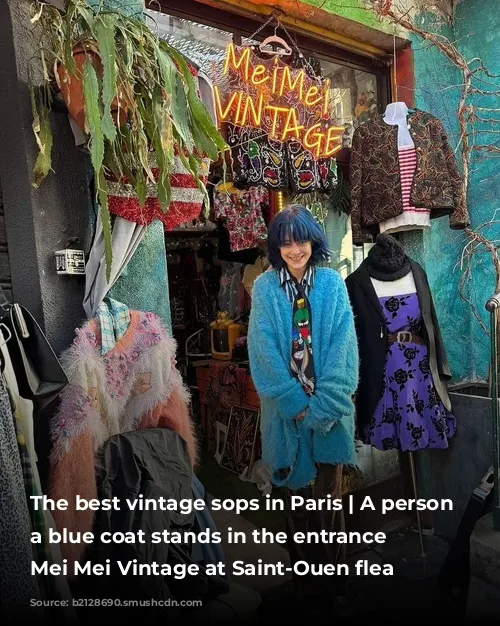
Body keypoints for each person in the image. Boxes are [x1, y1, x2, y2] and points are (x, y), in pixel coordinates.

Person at [247, 205, 359, 616]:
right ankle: (305, 585)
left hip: (328, 413)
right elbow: (262, 355)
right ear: (277, 246)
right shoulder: (264, 288)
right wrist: (294, 405)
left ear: (315, 240)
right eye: (287, 241)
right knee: (294, 503)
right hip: (284, 413)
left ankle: (333, 586)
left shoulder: (332, 284)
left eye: (302, 239)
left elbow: (345, 351)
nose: (296, 249)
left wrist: (323, 406)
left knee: (328, 502)